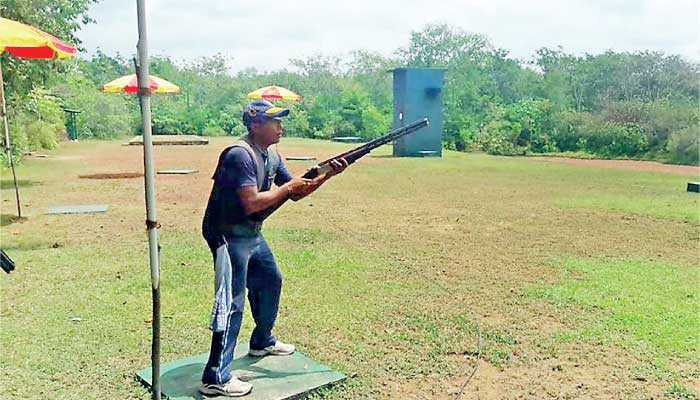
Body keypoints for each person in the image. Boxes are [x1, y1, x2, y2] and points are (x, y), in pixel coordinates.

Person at [199, 99, 347, 397]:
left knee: (270, 280)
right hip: (227, 235)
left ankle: (262, 340)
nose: (281, 127)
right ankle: (216, 376)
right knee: (232, 302)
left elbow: (294, 190)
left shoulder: (272, 154)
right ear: (255, 125)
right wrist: (289, 188)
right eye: (274, 121)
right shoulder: (238, 155)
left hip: (251, 232)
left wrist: (328, 173)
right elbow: (252, 201)